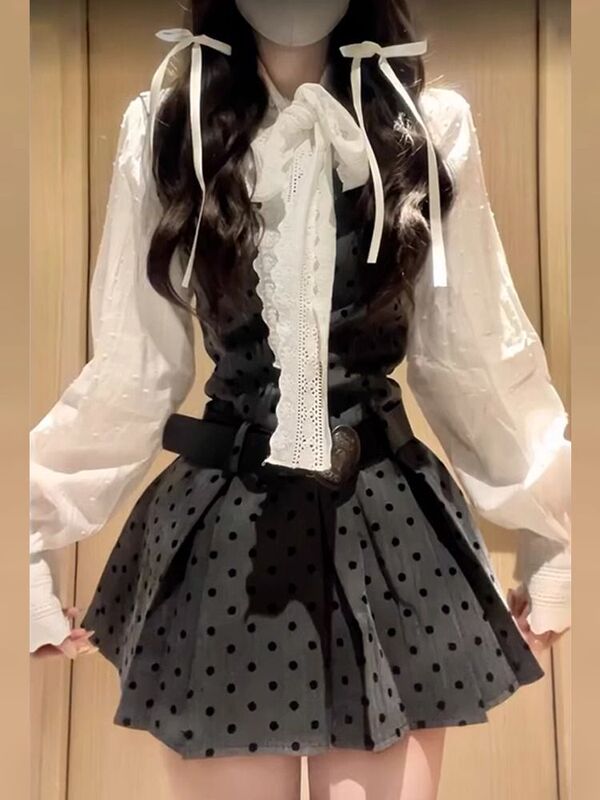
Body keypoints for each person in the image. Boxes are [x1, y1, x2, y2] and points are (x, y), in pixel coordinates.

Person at [30, 1, 571, 798]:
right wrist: (29, 541)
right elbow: (131, 364)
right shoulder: (167, 127)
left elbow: (474, 351)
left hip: (386, 526)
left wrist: (554, 534)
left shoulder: (425, 125)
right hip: (227, 535)